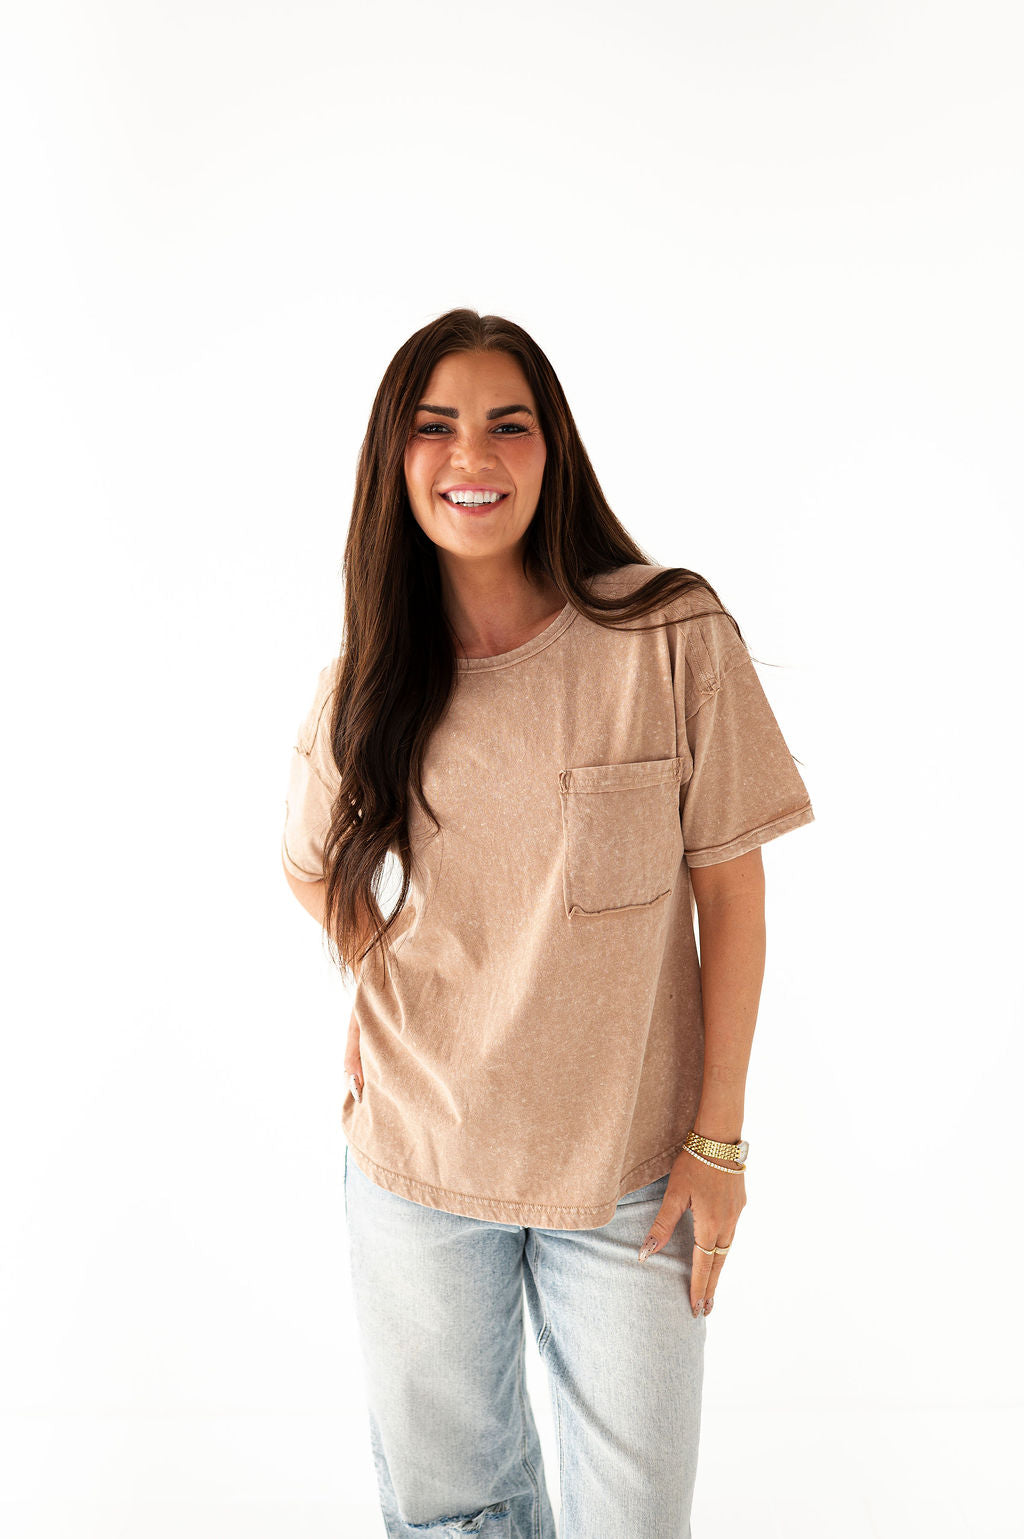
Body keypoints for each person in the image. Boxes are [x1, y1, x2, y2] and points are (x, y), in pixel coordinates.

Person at [280, 309, 815, 1538]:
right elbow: (308, 865)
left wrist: (719, 1144)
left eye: (506, 425)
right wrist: (374, 977)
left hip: (632, 1179)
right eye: (436, 426)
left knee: (635, 1519)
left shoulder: (666, 634)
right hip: (419, 1164)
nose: (472, 455)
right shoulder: (370, 675)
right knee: (454, 1516)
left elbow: (731, 893)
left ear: (551, 448)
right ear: (395, 458)